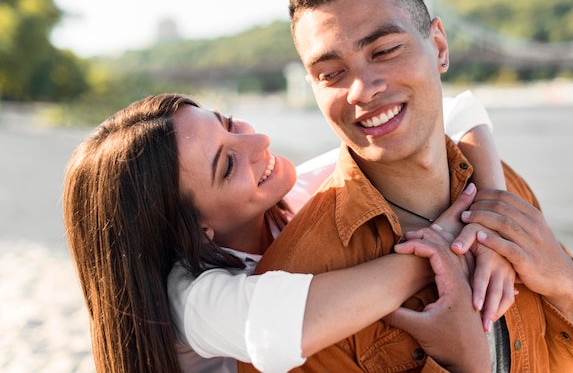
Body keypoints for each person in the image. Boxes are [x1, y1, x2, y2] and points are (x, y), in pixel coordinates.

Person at [240, 0, 573, 372]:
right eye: (331, 73)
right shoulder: (299, 286)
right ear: (313, 87)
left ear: (438, 47)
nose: (362, 90)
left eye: (385, 50)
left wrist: (565, 284)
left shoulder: (504, 186)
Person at [64, 90, 508, 373]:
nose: (257, 143)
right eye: (228, 164)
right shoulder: (187, 301)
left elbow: (454, 110)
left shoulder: (296, 193)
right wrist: (441, 247)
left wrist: (491, 220)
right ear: (196, 231)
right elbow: (282, 326)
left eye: (229, 123)